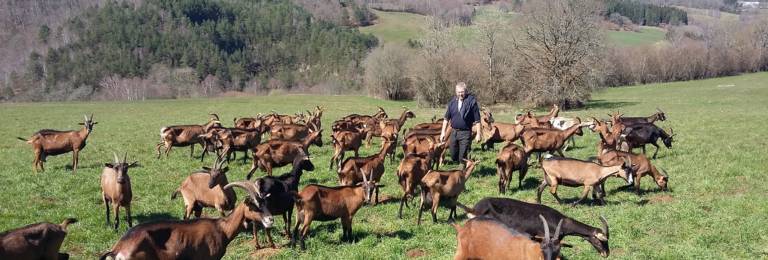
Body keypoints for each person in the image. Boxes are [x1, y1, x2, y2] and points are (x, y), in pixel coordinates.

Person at [440, 82, 480, 165]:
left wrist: (478, 134)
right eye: (459, 92)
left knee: (462, 158)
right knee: (453, 156)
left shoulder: (472, 102)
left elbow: (477, 120)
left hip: (465, 132)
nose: (460, 94)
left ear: (466, 91)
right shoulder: (452, 103)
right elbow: (446, 118)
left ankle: (463, 171)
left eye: (462, 92)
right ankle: (463, 160)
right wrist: (443, 132)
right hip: (454, 132)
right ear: (456, 92)